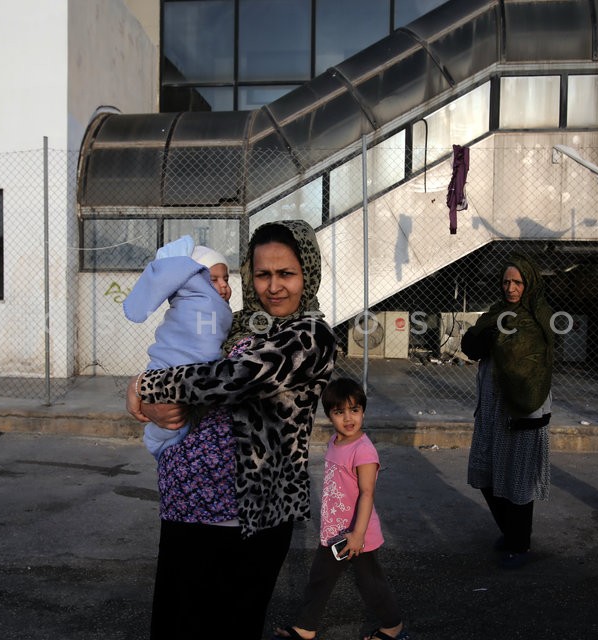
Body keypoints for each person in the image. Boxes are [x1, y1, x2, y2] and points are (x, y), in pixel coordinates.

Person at [125, 220, 337, 639]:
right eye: (262, 274)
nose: (274, 287)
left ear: (307, 274)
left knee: (230, 626)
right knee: (176, 624)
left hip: (250, 516)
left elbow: (233, 377)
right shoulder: (230, 321)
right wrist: (143, 393)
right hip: (186, 503)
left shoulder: (312, 336)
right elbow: (177, 357)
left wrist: (142, 386)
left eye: (286, 274)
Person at [273, 377, 410, 640]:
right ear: (329, 416)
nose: (348, 418)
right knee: (320, 578)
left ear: (363, 411)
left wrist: (358, 534)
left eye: (354, 410)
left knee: (370, 584)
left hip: (358, 535)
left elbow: (367, 493)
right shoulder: (335, 443)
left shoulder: (364, 451)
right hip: (335, 532)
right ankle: (305, 628)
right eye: (339, 412)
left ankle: (393, 627)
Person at [460, 253, 554, 569]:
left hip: (526, 407)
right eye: (506, 282)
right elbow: (471, 345)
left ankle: (520, 543)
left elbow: (528, 362)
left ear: (529, 284)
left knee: (518, 478)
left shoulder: (538, 318)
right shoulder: (496, 314)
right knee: (486, 471)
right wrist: (487, 337)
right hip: (492, 406)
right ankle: (509, 531)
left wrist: (493, 340)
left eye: (517, 282)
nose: (511, 288)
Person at [122, 235, 232, 460]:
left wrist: (139, 386)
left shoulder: (225, 317)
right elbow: (191, 351)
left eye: (226, 279)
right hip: (169, 385)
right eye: (213, 279)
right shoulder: (192, 313)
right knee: (169, 429)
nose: (223, 286)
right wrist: (141, 387)